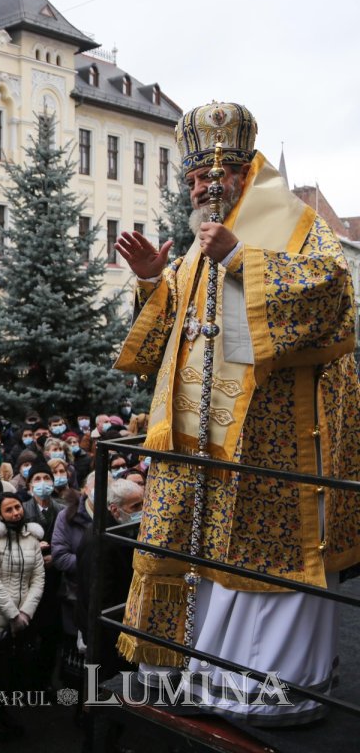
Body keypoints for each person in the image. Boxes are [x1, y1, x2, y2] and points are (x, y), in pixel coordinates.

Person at [113, 101, 360, 724]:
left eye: (214, 175)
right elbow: (171, 334)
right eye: (194, 178)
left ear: (246, 172)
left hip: (272, 442)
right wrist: (152, 279)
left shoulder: (294, 223)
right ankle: (180, 671)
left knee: (258, 560)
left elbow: (333, 292)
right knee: (192, 553)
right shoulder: (197, 246)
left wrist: (236, 258)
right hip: (194, 445)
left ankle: (255, 693)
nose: (202, 187)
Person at [0, 494, 46, 694]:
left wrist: (25, 613)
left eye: (18, 507)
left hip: (24, 613)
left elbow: (38, 579)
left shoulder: (31, 538)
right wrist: (13, 615)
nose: (16, 513)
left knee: (15, 666)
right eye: (9, 510)